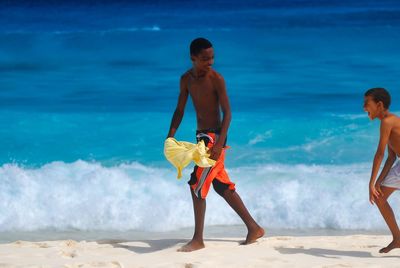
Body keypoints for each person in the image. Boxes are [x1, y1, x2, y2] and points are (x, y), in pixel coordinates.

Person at [166, 37, 264, 252]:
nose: (210, 62)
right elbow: (179, 110)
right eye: (204, 59)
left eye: (212, 58)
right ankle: (254, 227)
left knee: (196, 184)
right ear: (193, 58)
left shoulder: (216, 79)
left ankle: (198, 239)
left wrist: (219, 142)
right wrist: (170, 136)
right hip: (201, 136)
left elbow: (228, 113)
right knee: (219, 184)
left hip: (214, 137)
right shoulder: (186, 80)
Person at [364, 87, 400, 253]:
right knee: (380, 197)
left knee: (379, 197)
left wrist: (371, 183)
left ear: (379, 105)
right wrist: (377, 182)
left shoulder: (388, 121)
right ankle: (398, 239)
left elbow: (379, 153)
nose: (364, 107)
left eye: (367, 103)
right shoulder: (389, 122)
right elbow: (391, 157)